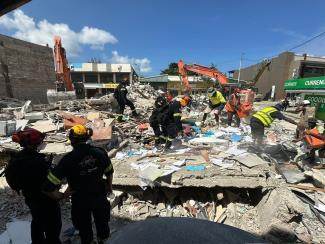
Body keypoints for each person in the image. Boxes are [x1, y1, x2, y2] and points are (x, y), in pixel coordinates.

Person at [43, 125, 114, 244]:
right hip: (99, 196)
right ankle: (104, 240)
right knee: (102, 224)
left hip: (80, 201)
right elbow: (109, 172)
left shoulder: (67, 160)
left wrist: (61, 196)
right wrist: (109, 187)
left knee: (84, 229)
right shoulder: (100, 152)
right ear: (87, 138)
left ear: (72, 140)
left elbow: (48, 186)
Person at [5, 128, 62, 244]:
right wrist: (59, 194)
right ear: (34, 143)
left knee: (37, 221)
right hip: (46, 199)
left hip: (30, 197)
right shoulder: (39, 162)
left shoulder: (17, 159)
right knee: (53, 225)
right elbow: (49, 185)